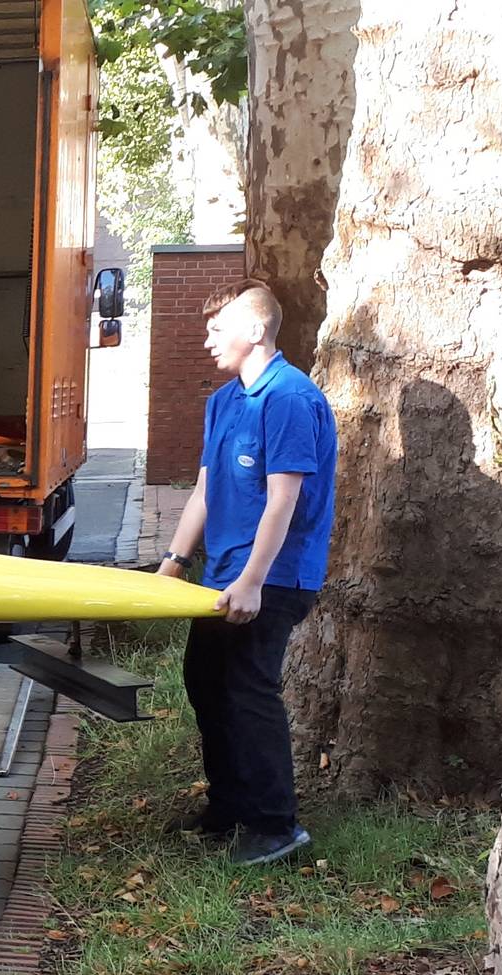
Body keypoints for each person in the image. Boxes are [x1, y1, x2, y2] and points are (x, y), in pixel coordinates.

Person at [156, 279, 337, 867]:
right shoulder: (226, 400)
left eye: (216, 329)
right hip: (223, 573)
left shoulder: (288, 397)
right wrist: (175, 562)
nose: (206, 339)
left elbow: (282, 500)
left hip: (275, 577)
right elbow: (207, 489)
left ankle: (276, 825)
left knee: (247, 690)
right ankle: (229, 806)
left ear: (255, 330)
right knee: (205, 683)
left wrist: (254, 581)